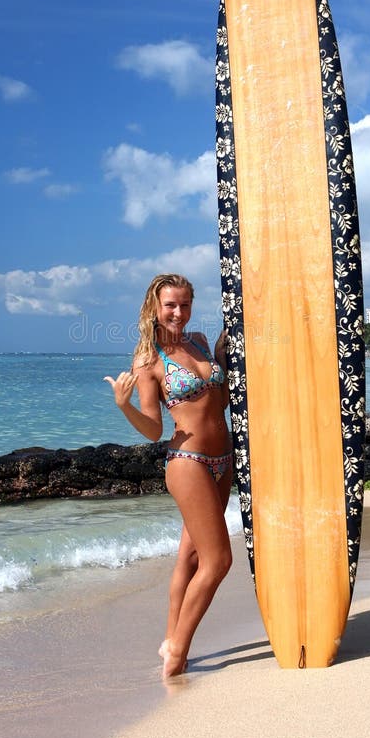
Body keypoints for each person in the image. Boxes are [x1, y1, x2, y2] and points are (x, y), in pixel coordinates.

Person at [104, 273, 232, 677]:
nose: (178, 312)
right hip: (188, 462)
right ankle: (177, 653)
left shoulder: (198, 342)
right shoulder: (149, 361)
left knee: (190, 558)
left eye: (185, 304)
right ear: (154, 308)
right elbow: (154, 429)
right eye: (170, 305)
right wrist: (125, 407)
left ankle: (168, 638)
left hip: (223, 460)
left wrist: (224, 359)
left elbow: (221, 400)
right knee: (219, 561)